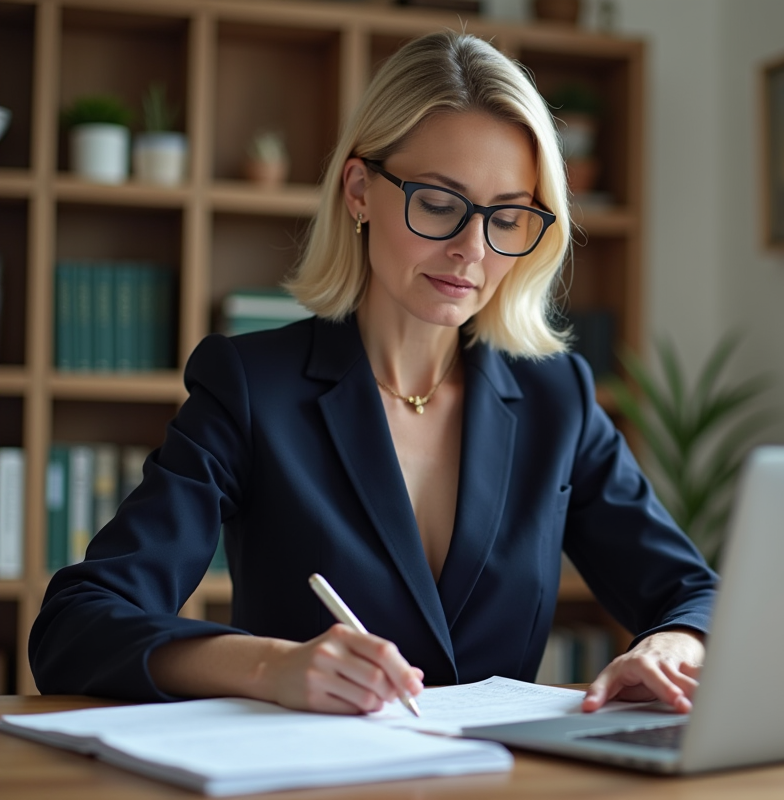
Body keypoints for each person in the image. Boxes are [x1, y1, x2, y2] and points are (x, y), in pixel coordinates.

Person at [30, 31, 717, 716]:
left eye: (508, 217)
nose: (472, 250)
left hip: (505, 771)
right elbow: (76, 624)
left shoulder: (556, 397)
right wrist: (268, 666)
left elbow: (697, 595)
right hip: (313, 768)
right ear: (359, 190)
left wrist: (672, 646)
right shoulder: (250, 388)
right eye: (440, 204)